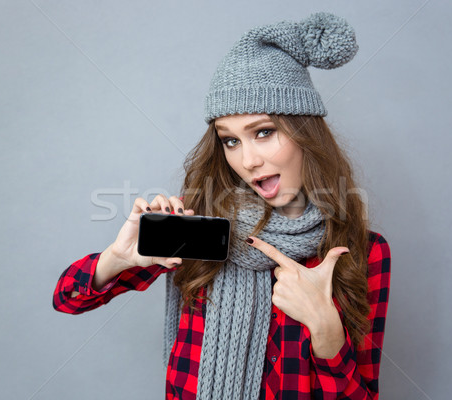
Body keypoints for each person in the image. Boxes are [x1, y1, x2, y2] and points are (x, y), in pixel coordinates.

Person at [53, 11, 391, 400]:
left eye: (263, 132)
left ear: (306, 133)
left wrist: (327, 332)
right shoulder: (199, 225)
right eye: (230, 140)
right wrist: (117, 258)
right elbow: (68, 298)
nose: (247, 160)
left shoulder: (363, 251)